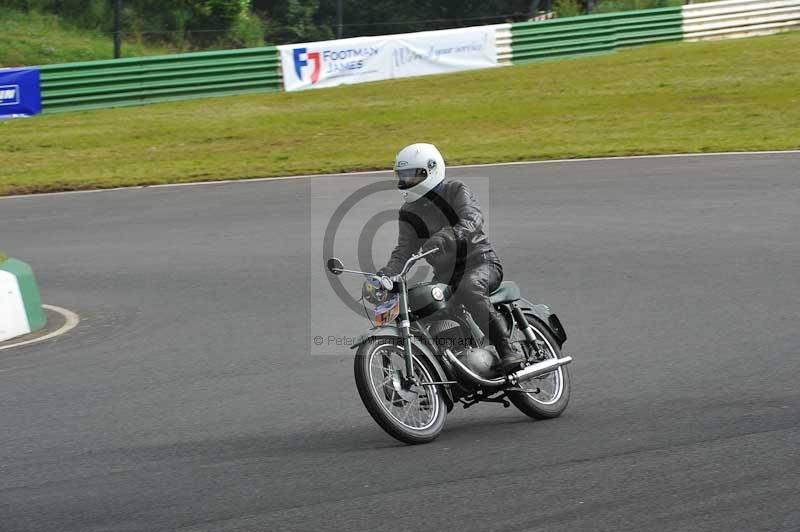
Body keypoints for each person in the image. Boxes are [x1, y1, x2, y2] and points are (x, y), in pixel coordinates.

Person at [374, 143, 525, 374]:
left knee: (470, 287)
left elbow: (472, 218)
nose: (406, 181)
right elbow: (403, 250)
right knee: (422, 308)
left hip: (480, 262)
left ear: (431, 170)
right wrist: (386, 274)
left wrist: (447, 235)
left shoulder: (455, 190)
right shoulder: (408, 212)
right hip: (445, 275)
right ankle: (446, 368)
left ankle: (507, 350)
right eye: (402, 175)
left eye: (412, 175)